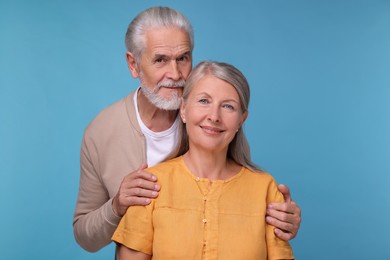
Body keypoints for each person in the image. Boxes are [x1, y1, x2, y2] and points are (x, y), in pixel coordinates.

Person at [73, 6, 301, 254]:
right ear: (133, 64)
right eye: (160, 60)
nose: (175, 74)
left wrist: (283, 218)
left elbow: (245, 202)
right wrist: (117, 205)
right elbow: (85, 236)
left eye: (183, 58)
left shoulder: (211, 118)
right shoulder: (101, 132)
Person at [112, 61, 294, 259]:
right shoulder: (150, 186)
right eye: (204, 101)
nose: (214, 116)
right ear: (183, 110)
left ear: (242, 120)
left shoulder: (265, 190)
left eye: (228, 106)